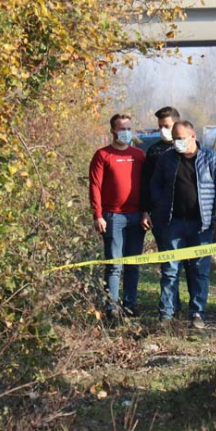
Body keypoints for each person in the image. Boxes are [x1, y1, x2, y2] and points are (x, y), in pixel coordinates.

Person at [150, 121, 216, 328]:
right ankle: (166, 315)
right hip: (173, 223)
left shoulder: (211, 158)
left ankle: (197, 314)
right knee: (170, 270)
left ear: (193, 136)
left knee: (199, 271)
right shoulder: (167, 159)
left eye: (181, 138)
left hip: (202, 225)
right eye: (175, 139)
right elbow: (155, 185)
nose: (177, 143)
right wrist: (159, 207)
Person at [89, 113, 146, 317]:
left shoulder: (139, 154)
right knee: (114, 264)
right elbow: (95, 186)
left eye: (128, 128)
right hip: (112, 217)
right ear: (113, 131)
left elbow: (146, 186)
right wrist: (98, 214)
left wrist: (146, 213)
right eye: (122, 129)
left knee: (133, 264)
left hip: (136, 216)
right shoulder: (102, 155)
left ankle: (130, 305)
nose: (126, 132)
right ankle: (112, 308)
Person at [140, 106, 184, 312]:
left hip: (187, 215)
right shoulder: (154, 151)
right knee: (169, 263)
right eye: (160, 127)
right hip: (162, 216)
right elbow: (146, 183)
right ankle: (170, 306)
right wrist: (146, 210)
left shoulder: (189, 148)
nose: (163, 130)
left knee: (190, 266)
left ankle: (194, 309)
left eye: (166, 126)